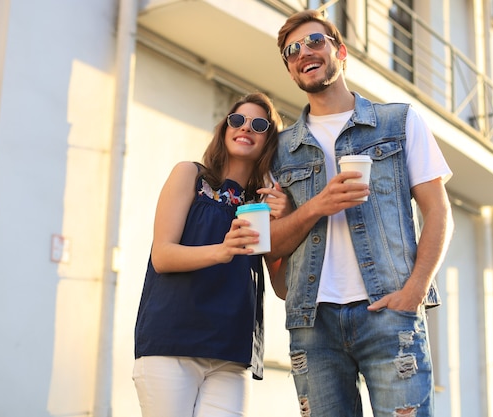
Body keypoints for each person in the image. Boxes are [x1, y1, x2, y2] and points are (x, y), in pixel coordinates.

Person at [267, 9, 455, 417]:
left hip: (389, 313)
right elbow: (274, 249)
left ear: (341, 51)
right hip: (312, 322)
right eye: (292, 50)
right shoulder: (280, 151)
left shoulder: (399, 122)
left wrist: (415, 291)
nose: (304, 53)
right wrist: (316, 207)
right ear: (291, 70)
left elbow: (439, 211)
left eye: (315, 41)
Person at [133, 92, 287, 417]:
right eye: (237, 119)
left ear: (269, 140)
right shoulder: (190, 175)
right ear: (224, 127)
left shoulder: (262, 204)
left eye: (259, 124)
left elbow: (283, 287)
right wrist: (223, 251)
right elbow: (163, 255)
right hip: (172, 341)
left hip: (231, 352)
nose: (245, 127)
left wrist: (284, 222)